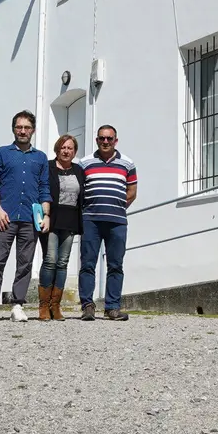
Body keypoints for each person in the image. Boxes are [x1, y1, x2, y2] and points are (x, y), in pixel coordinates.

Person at [0, 110, 51, 323]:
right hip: (5, 216)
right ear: (13, 129)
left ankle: (17, 305)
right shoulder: (1, 153)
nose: (22, 131)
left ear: (33, 130)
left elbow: (44, 187)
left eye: (26, 127)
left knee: (25, 262)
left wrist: (45, 215)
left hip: (30, 218)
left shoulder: (40, 158)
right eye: (19, 127)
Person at [77, 125, 138, 322]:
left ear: (115, 141)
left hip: (117, 221)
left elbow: (132, 193)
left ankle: (112, 307)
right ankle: (87, 306)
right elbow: (79, 191)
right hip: (90, 221)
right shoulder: (85, 163)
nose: (105, 142)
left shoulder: (127, 164)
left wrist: (116, 206)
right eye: (102, 138)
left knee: (115, 265)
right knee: (87, 264)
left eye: (109, 139)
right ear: (96, 140)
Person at [39, 134, 85, 321]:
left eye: (70, 148)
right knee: (50, 259)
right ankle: (43, 306)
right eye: (63, 148)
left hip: (71, 220)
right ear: (57, 149)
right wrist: (44, 215)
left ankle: (55, 306)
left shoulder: (79, 170)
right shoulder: (47, 167)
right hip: (51, 219)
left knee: (63, 262)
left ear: (74, 152)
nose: (66, 151)